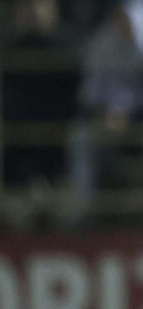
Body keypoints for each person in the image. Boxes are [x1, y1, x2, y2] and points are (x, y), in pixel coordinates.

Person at [67, 0, 143, 228]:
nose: (125, 23)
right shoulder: (101, 44)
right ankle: (80, 215)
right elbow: (88, 95)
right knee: (80, 138)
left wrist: (133, 115)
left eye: (131, 18)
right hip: (107, 121)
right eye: (121, 17)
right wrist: (105, 115)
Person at [2, 0, 81, 229]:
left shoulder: (68, 49)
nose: (34, 14)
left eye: (40, 7)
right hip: (17, 139)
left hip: (58, 139)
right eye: (28, 8)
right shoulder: (10, 51)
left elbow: (74, 101)